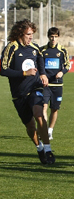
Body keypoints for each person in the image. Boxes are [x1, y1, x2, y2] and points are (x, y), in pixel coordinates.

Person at [0, 19, 55, 165]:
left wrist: (42, 74)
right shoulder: (11, 48)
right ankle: (40, 148)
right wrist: (24, 73)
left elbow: (40, 59)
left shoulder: (34, 47)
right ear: (20, 33)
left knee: (39, 114)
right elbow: (3, 70)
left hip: (35, 87)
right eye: (28, 34)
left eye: (32, 34)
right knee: (30, 127)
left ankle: (48, 151)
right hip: (19, 94)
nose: (31, 37)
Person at [40, 27, 70, 140]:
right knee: (43, 107)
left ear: (58, 37)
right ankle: (43, 130)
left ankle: (50, 131)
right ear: (48, 37)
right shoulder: (42, 50)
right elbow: (39, 65)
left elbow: (67, 65)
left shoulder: (63, 51)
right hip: (45, 85)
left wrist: (62, 72)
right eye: (51, 36)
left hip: (57, 85)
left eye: (55, 37)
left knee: (54, 109)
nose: (53, 39)